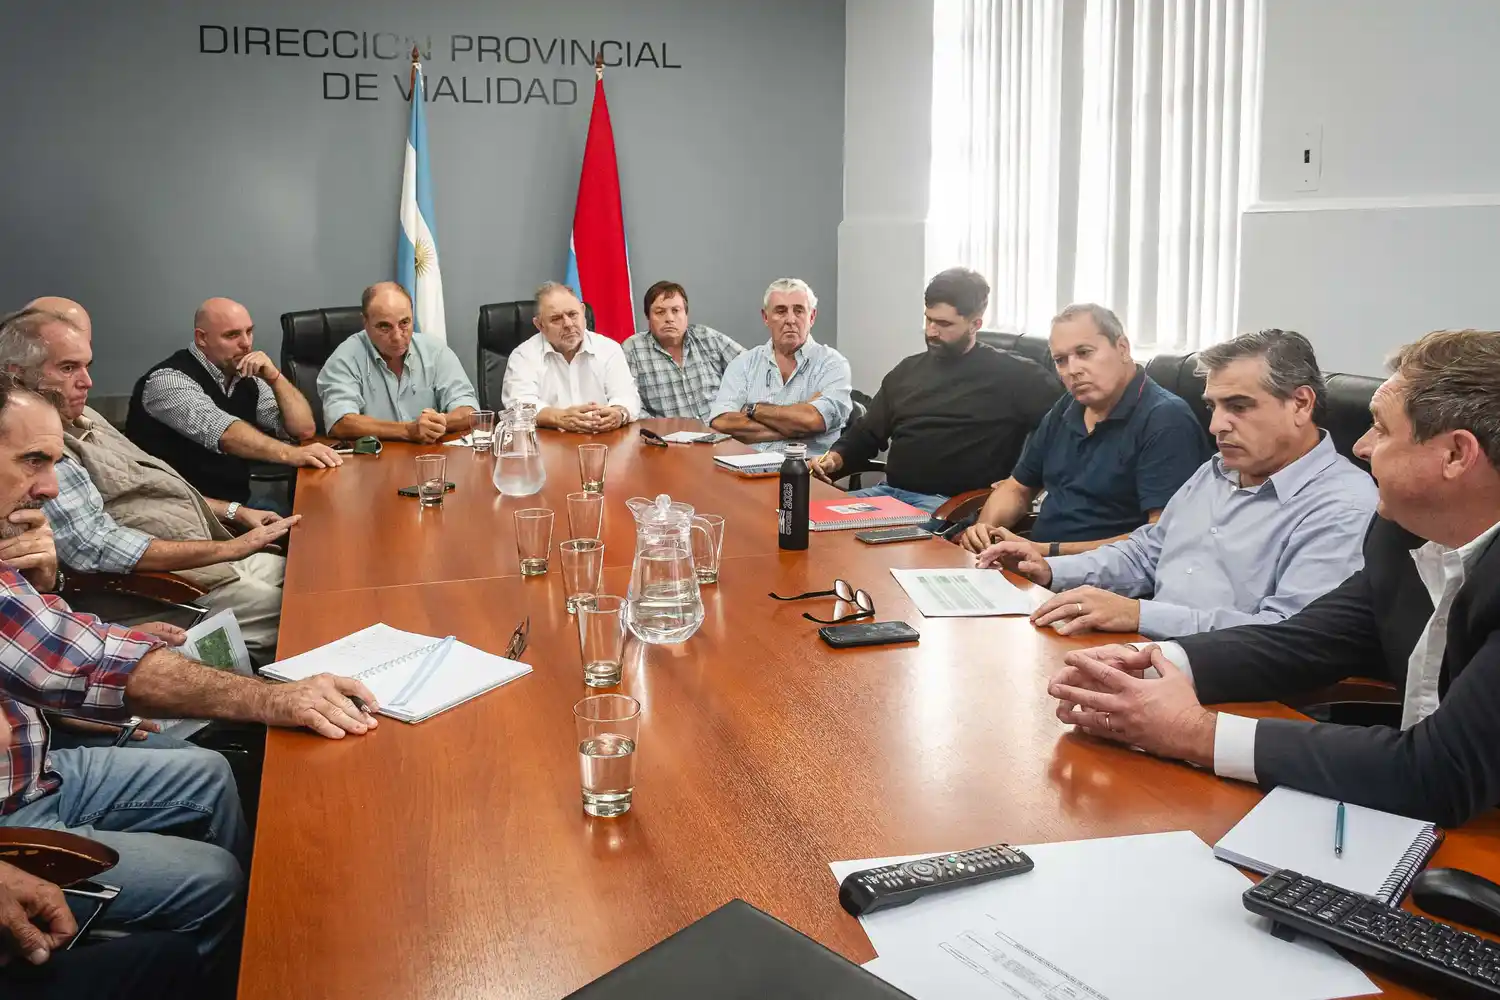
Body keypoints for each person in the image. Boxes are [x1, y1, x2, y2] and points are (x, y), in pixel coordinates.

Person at [1047, 329, 1500, 826]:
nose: (1364, 446)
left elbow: (1441, 771)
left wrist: (1194, 732)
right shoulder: (1401, 535)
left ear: (1456, 455)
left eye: (1381, 429)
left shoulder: (1361, 508)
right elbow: (1305, 638)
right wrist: (1150, 661)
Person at [0, 373, 381, 962]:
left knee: (208, 775)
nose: (51, 487)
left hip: (38, 767)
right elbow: (67, 660)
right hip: (14, 818)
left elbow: (48, 648)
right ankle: (213, 962)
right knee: (213, 877)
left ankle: (263, 928)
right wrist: (273, 698)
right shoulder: (167, 383)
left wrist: (48, 586)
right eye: (32, 462)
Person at [980, 329, 1377, 638]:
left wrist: (1141, 615)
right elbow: (1146, 554)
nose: (1216, 425)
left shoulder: (1342, 504)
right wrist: (1048, 569)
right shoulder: (1217, 470)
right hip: (1152, 656)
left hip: (1239, 695)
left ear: (1301, 404)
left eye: (1238, 407)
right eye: (1213, 407)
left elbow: (1287, 635)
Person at [0, 308, 294, 664]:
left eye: (86, 364)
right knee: (294, 617)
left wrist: (234, 512)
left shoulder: (83, 414)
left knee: (307, 576)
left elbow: (156, 482)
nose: (87, 382)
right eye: (67, 368)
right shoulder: (43, 448)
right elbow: (93, 547)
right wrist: (227, 550)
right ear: (17, 375)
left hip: (205, 543)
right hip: (169, 583)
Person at [808, 268, 1062, 515]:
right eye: (928, 319)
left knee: (843, 545)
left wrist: (1022, 484)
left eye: (944, 324)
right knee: (798, 521)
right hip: (885, 497)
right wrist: (835, 458)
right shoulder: (907, 371)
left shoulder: (1016, 375)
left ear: (975, 324)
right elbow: (866, 434)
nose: (931, 331)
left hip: (951, 507)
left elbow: (1064, 430)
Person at [958, 303, 1207, 554]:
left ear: (1122, 348)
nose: (1072, 370)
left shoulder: (1166, 419)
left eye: (1084, 353)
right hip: (1037, 564)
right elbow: (1018, 487)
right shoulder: (1069, 405)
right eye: (1060, 360)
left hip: (1105, 581)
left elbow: (1160, 538)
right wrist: (983, 531)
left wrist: (1046, 551)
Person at [126, 297, 340, 506]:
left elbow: (302, 430)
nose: (246, 344)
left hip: (236, 502)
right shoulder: (168, 380)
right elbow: (224, 433)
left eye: (249, 331)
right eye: (232, 335)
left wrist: (275, 377)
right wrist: (292, 454)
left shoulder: (247, 377)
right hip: (177, 509)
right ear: (202, 338)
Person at [317, 282, 478, 442]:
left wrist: (439, 423)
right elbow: (340, 422)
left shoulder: (435, 351)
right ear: (365, 322)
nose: (397, 336)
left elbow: (469, 410)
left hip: (429, 459)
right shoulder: (345, 358)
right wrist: (407, 430)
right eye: (384, 327)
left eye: (404, 323)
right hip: (373, 462)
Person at [708, 278, 853, 454]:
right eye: (781, 311)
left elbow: (813, 420)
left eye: (799, 310)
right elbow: (722, 423)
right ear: (766, 317)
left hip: (806, 472)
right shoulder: (743, 363)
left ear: (812, 317)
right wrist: (795, 427)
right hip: (746, 471)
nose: (790, 319)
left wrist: (753, 409)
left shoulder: (832, 364)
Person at [501, 282, 641, 432]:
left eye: (573, 314)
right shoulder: (523, 356)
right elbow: (519, 406)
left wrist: (619, 413)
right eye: (556, 319)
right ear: (540, 325)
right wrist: (558, 418)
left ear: (583, 312)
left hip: (602, 443)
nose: (568, 324)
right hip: (549, 446)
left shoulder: (609, 349)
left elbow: (627, 397)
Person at [622, 281, 744, 421]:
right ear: (648, 317)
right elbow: (631, 405)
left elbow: (751, 369)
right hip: (669, 439)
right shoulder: (633, 349)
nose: (669, 319)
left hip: (723, 433)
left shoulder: (707, 337)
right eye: (660, 312)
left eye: (675, 310)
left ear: (686, 315)